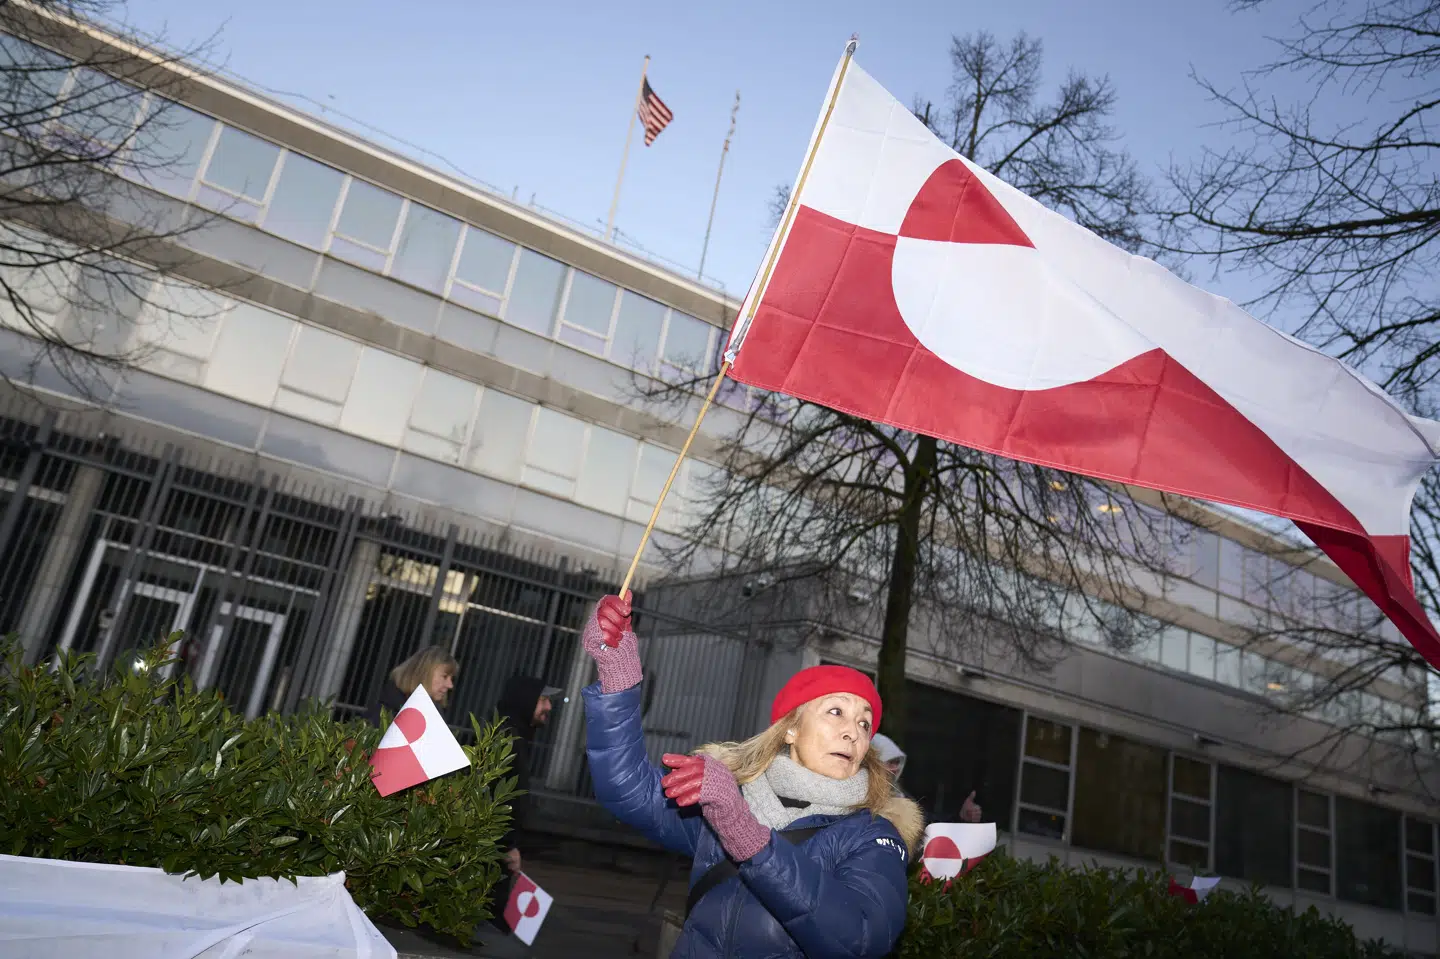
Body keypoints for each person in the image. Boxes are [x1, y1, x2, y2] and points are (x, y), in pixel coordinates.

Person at [583, 594, 922, 958]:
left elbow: (862, 939)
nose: (853, 732)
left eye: (864, 723)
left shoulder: (873, 834)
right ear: (790, 729)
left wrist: (747, 835)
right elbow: (628, 790)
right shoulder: (727, 799)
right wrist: (617, 674)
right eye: (836, 711)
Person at [487, 674, 560, 933]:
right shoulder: (508, 739)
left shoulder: (514, 735)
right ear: (525, 701)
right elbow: (499, 797)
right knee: (491, 923)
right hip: (493, 854)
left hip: (495, 851)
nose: (549, 707)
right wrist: (508, 846)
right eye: (543, 700)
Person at [869, 732, 983, 823]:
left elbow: (927, 822)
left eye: (897, 762)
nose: (895, 768)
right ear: (873, 763)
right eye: (890, 762)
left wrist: (960, 817)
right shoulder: (863, 799)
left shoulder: (900, 795)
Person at [364, 644, 457, 727]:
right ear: (423, 674)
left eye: (451, 678)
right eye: (444, 676)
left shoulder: (435, 714)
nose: (450, 685)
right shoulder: (382, 716)